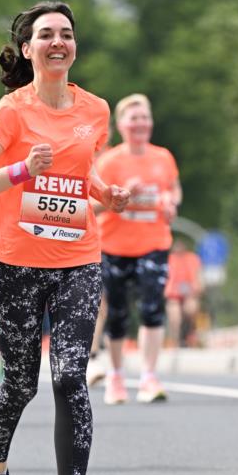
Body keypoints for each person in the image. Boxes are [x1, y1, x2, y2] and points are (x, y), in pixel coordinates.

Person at [0, 1, 129, 475]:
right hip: (15, 264)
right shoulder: (12, 110)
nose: (58, 42)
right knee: (19, 383)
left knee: (70, 374)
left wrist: (108, 193)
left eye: (66, 34)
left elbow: (82, 170)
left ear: (74, 46)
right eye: (46, 35)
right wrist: (19, 170)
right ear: (29, 49)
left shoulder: (95, 110)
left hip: (78, 257)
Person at [94, 94, 181, 404]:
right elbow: (92, 206)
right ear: (121, 125)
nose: (141, 123)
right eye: (134, 118)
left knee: (151, 306)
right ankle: (115, 376)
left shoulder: (163, 158)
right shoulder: (109, 162)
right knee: (117, 313)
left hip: (154, 243)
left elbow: (172, 187)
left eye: (145, 117)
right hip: (115, 246)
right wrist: (123, 193)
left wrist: (172, 202)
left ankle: (148, 376)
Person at [165, 238, 203, 347]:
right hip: (173, 294)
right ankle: (176, 340)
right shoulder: (169, 260)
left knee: (191, 308)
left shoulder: (192, 259)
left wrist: (196, 290)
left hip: (190, 293)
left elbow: (199, 277)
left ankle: (190, 333)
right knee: (174, 315)